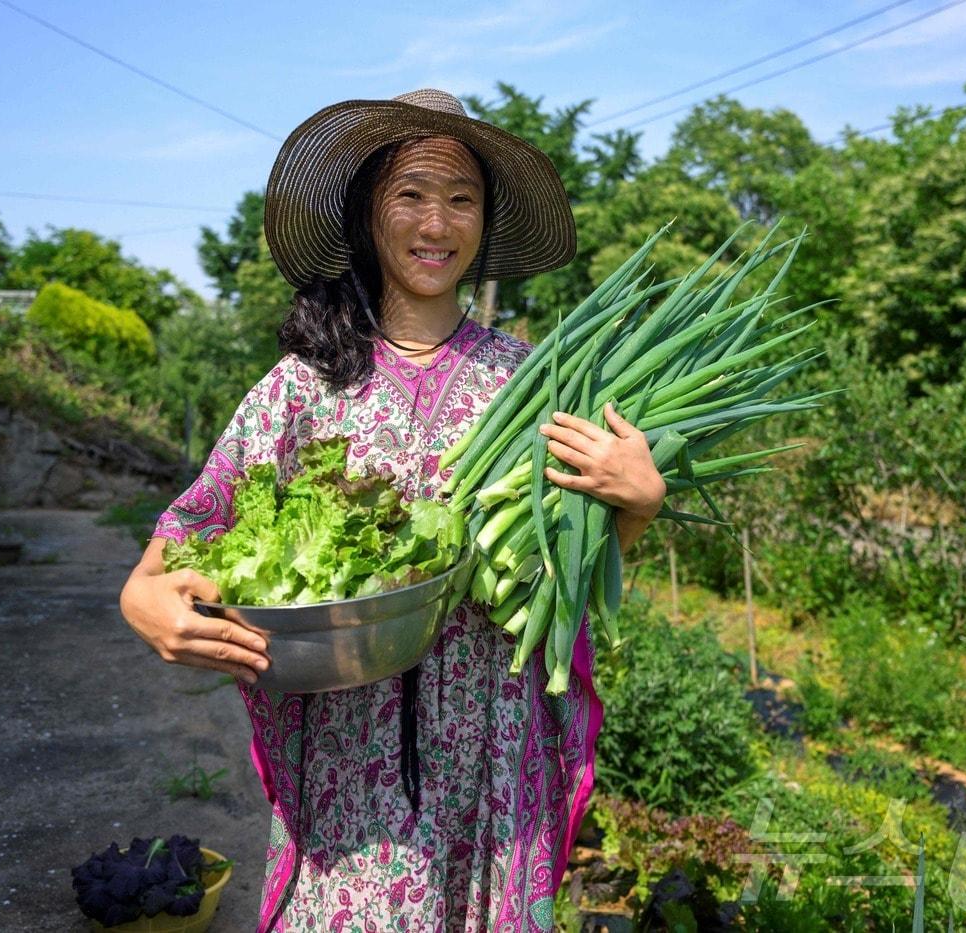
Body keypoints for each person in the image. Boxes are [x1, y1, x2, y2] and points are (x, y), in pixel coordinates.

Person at [119, 89, 666, 931]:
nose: (436, 223)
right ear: (369, 214)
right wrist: (144, 602)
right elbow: (180, 539)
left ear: (485, 222)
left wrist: (634, 505)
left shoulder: (536, 384)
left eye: (461, 198)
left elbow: (573, 565)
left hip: (494, 755)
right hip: (348, 768)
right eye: (410, 194)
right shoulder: (303, 384)